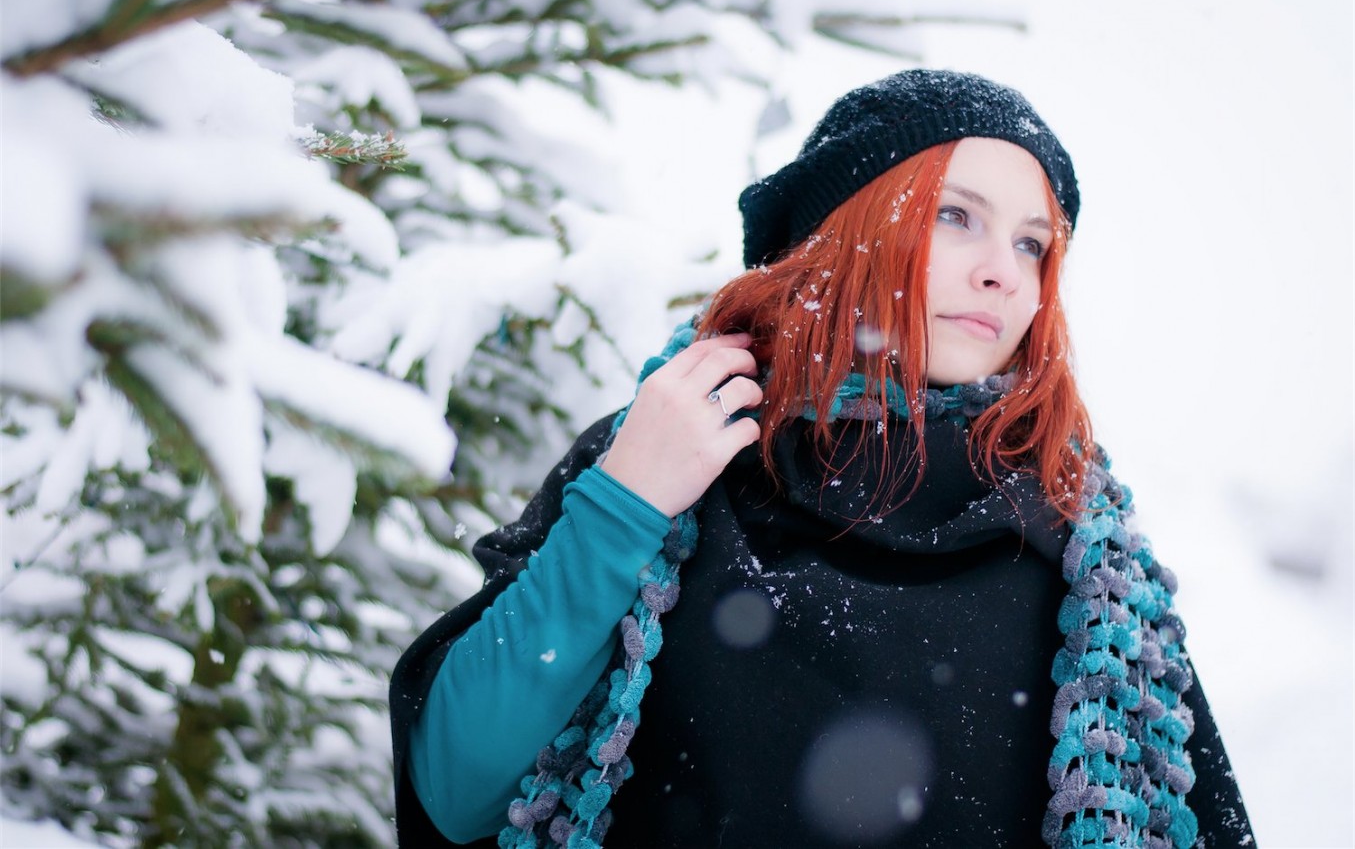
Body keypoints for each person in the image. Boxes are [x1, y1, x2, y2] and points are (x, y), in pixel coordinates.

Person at [389, 70, 1254, 848]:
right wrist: (626, 503)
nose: (1004, 271)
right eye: (955, 216)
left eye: (1032, 243)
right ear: (841, 234)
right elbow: (459, 789)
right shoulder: (669, 453)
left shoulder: (1082, 546)